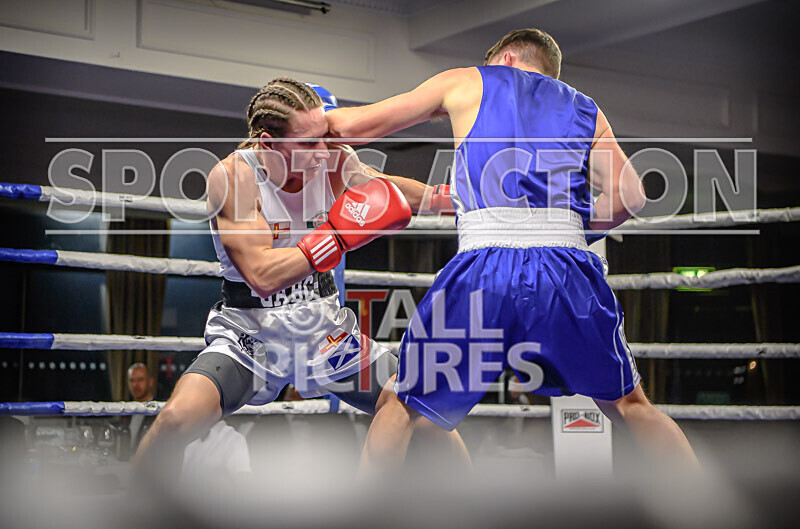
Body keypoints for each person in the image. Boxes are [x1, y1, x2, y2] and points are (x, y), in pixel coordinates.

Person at [326, 28, 698, 470]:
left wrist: (303, 124)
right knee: (629, 405)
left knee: (403, 404)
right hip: (567, 269)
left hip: (485, 264)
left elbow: (354, 124)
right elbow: (632, 198)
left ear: (502, 59)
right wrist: (565, 230)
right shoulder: (586, 108)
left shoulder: (467, 80)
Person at [133, 78, 469, 485]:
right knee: (174, 419)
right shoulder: (233, 178)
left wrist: (455, 199)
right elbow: (261, 275)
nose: (322, 151)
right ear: (267, 142)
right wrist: (339, 235)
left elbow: (387, 189)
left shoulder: (329, 158)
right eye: (308, 143)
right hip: (251, 337)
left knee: (425, 410)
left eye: (325, 137)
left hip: (322, 333)